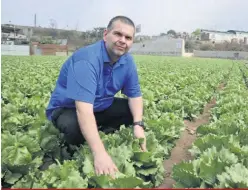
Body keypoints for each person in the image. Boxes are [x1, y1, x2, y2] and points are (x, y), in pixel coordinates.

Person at [45, 16, 146, 177]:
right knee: (73, 127)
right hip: (68, 108)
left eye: (128, 37)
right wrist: (99, 154)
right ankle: (82, 143)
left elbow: (135, 96)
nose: (122, 40)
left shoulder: (128, 62)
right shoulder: (87, 60)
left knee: (133, 111)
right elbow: (83, 110)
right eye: (117, 34)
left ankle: (95, 130)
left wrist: (138, 125)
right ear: (105, 34)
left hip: (99, 106)